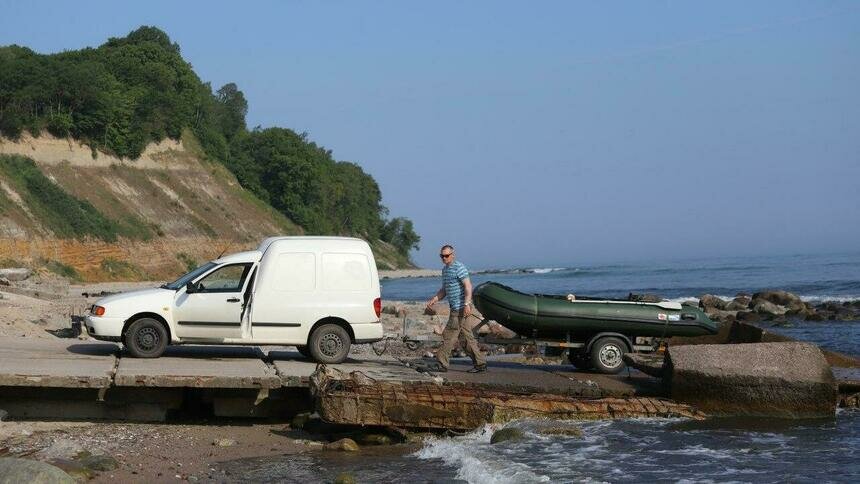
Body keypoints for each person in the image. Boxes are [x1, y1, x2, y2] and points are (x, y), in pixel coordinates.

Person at [425, 244, 487, 373]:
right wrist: (435, 299)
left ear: (452, 255)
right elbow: (444, 289)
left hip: (461, 308)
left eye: (446, 255)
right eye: (441, 256)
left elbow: (468, 286)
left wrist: (466, 304)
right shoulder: (445, 270)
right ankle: (480, 364)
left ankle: (441, 363)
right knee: (465, 338)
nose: (444, 258)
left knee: (449, 334)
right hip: (455, 308)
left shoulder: (459, 267)